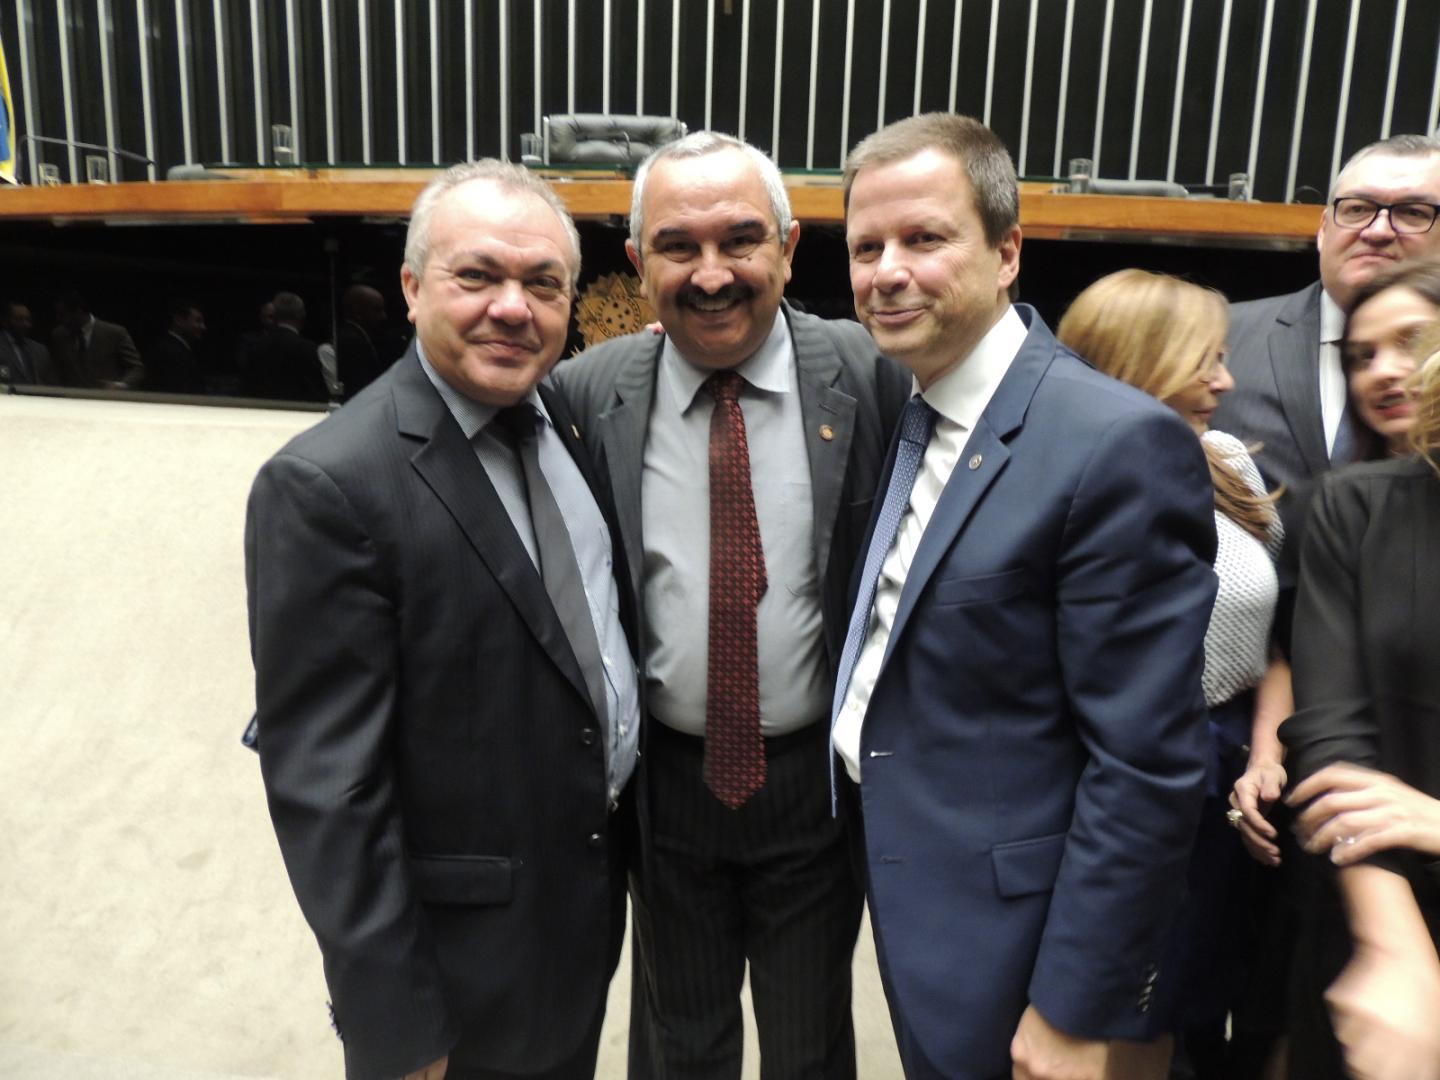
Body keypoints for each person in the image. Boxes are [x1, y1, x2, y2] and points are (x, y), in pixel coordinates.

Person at [833, 112, 1218, 1080]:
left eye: (924, 238)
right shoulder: (912, 410)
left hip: (1027, 953)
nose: (887, 272)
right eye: (866, 247)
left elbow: (1146, 765)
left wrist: (1076, 1008)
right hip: (924, 905)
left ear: (1008, 253)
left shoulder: (1111, 443)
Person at [246, 160, 641, 1080]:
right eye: (478, 275)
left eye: (543, 283)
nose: (513, 307)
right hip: (454, 979)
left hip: (575, 923)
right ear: (413, 286)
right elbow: (329, 789)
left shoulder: (562, 424)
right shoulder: (329, 484)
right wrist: (396, 1022)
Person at [554, 130, 909, 1079]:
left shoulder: (872, 375)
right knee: (680, 1043)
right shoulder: (585, 395)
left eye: (740, 240)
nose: (711, 274)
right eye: (678, 246)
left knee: (808, 1044)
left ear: (788, 248)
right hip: (665, 788)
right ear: (638, 263)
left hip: (813, 788)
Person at [1057, 270, 1288, 1077]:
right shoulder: (1070, 479)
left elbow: (1278, 636)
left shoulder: (1226, 460)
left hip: (1235, 770)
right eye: (1204, 360)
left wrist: (1266, 754)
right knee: (1132, 1015)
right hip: (1126, 780)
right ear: (1138, 360)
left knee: (1209, 1001)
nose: (1226, 382)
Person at [1274, 256, 1440, 1080]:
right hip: (1378, 893)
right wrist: (1393, 945)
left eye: (1411, 342)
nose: (1386, 372)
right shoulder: (1354, 503)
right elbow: (1331, 726)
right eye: (1361, 355)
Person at [1212, 133, 1440, 492]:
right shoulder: (1219, 335)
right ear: (1323, 230)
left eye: (1412, 213)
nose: (1377, 231)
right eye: (1357, 209)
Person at [240, 291, 329, 402]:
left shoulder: (256, 347)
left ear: (275, 315)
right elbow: (316, 395)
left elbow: (247, 389)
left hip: (262, 409)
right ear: (301, 314)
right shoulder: (307, 348)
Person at [50, 291, 144, 389]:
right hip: (73, 396)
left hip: (106, 396)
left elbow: (136, 368)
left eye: (63, 314)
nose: (58, 319)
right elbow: (57, 370)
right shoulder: (59, 335)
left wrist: (121, 385)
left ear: (79, 312)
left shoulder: (114, 333)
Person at [333, 283, 397, 401]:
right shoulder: (353, 343)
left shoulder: (356, 337)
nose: (384, 316)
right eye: (377, 310)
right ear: (358, 312)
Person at [145, 298, 206, 394]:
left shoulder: (175, 349)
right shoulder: (170, 352)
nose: (203, 327)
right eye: (198, 321)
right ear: (179, 320)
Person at [0, 300, 55, 385]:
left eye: (28, 320)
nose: (25, 324)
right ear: (5, 321)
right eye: (19, 319)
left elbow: (51, 383)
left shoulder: (40, 350)